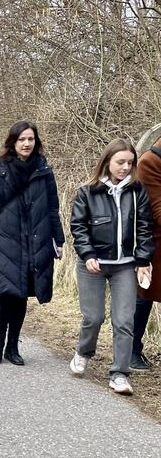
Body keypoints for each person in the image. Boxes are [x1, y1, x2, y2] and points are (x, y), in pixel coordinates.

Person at [69, 138, 154, 395]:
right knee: (94, 317)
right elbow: (79, 228)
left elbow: (144, 229)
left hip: (124, 266)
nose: (125, 167)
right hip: (92, 264)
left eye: (130, 163)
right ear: (107, 162)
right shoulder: (87, 191)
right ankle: (84, 351)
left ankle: (119, 373)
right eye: (120, 162)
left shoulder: (137, 191)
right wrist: (88, 254)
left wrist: (142, 261)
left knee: (124, 320)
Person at [0, 121, 65, 366]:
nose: (27, 144)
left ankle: (13, 346)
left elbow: (52, 209)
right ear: (13, 142)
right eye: (22, 139)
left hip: (36, 239)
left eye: (31, 139)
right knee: (7, 292)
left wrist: (58, 240)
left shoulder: (44, 170)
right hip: (6, 240)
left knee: (24, 293)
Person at [132, 142, 161, 371]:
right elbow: (157, 209)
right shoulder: (149, 162)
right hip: (153, 240)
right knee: (144, 293)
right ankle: (132, 350)